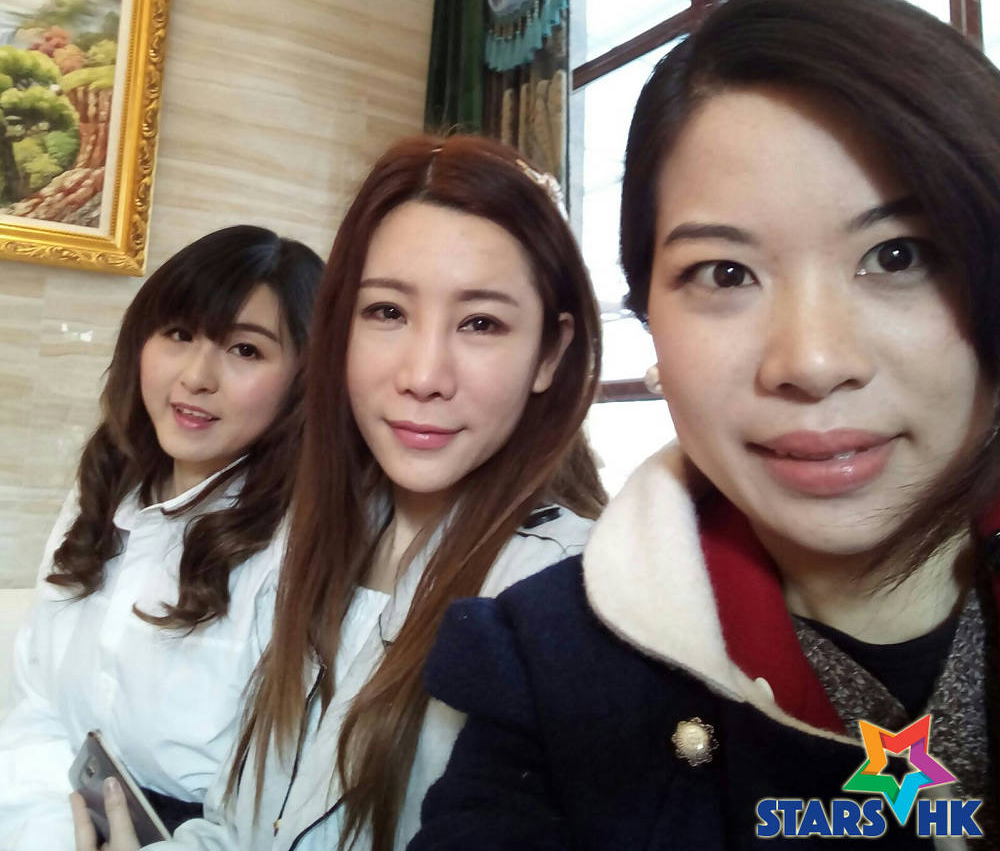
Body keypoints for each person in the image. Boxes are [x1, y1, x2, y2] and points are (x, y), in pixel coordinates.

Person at [408, 0, 1000, 849]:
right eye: (725, 274)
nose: (812, 362)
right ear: (649, 319)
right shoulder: (546, 663)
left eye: (898, 256)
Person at [96, 135, 604, 851]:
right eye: (387, 313)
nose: (423, 375)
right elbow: (240, 826)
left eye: (481, 323)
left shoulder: (565, 602)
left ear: (549, 353)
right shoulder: (316, 536)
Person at [0, 225, 323, 850]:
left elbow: (282, 809)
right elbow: (39, 705)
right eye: (178, 334)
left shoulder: (301, 546)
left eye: (246, 350)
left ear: (304, 379)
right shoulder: (103, 492)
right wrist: (50, 835)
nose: (197, 376)